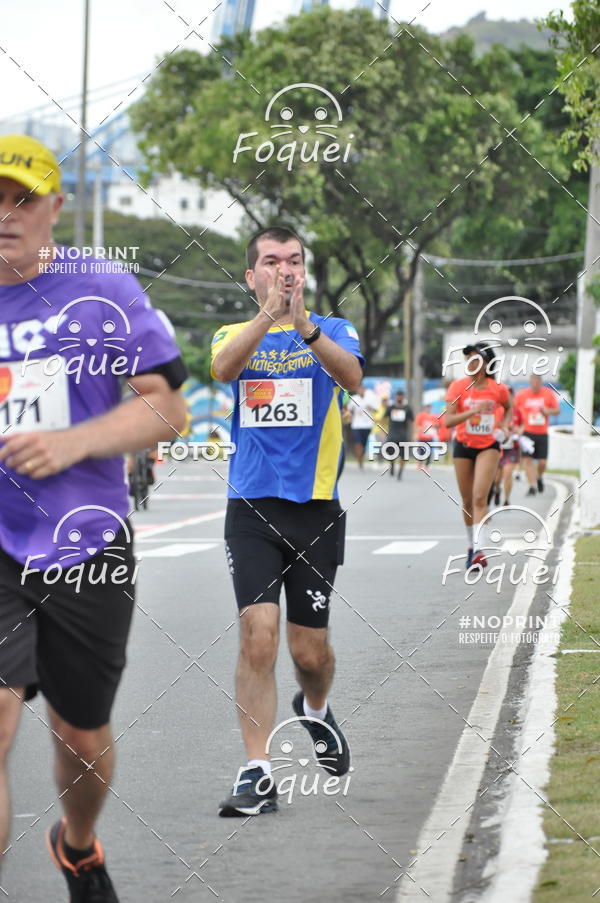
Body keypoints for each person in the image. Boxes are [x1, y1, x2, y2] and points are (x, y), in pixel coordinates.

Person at [0, 135, 187, 902]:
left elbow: (167, 405)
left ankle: (77, 844)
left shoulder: (100, 288)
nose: (5, 215)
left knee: (80, 736)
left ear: (55, 207)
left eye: (21, 198)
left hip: (85, 541)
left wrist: (73, 441)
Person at [211, 226, 362, 817]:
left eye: (293, 260)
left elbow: (350, 377)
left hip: (316, 511)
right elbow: (224, 369)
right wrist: (267, 318)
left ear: (306, 269)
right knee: (258, 637)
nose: (284, 269)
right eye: (270, 262)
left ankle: (316, 709)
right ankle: (257, 771)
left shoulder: (333, 329)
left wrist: (303, 326)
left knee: (308, 654)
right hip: (250, 507)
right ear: (251, 276)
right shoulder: (234, 334)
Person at [445, 343, 511, 569]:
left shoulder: (497, 388)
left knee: (479, 497)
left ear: (486, 364)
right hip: (463, 446)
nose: (471, 364)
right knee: (466, 501)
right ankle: (471, 547)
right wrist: (474, 410)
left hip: (489, 445)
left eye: (476, 360)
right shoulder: (457, 387)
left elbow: (509, 406)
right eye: (468, 360)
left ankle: (480, 551)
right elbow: (448, 421)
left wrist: (505, 425)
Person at [514, 375, 560, 496]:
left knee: (542, 463)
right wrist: (518, 426)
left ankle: (539, 477)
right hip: (527, 432)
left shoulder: (548, 394)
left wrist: (547, 411)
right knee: (528, 460)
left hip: (542, 433)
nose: (535, 384)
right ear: (530, 382)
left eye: (537, 382)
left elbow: (557, 410)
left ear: (540, 382)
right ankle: (532, 486)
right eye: (532, 382)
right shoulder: (522, 394)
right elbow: (513, 410)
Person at [489, 387, 523, 506]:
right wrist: (503, 427)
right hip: (498, 446)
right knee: (497, 478)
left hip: (512, 447)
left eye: (510, 396)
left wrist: (519, 430)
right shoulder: (496, 409)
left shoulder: (516, 411)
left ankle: (506, 500)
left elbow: (522, 424)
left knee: (508, 473)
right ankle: (497, 489)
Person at [348, 382, 379, 468]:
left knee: (364, 444)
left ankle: (361, 457)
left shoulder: (370, 398)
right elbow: (349, 411)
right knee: (358, 443)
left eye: (362, 389)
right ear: (357, 390)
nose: (361, 391)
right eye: (359, 389)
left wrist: (370, 407)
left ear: (365, 390)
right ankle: (359, 461)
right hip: (356, 425)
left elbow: (376, 410)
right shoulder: (354, 399)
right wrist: (349, 416)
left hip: (367, 425)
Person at [384, 390, 414, 479]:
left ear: (403, 397)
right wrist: (383, 430)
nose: (399, 397)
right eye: (398, 396)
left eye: (401, 396)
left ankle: (400, 472)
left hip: (403, 435)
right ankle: (392, 464)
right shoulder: (391, 407)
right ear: (396, 396)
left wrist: (413, 434)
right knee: (390, 453)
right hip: (392, 435)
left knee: (404, 455)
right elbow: (384, 419)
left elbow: (412, 421)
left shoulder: (407, 408)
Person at [413, 403, 438, 473]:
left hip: (429, 437)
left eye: (429, 407)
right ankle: (419, 464)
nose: (428, 408)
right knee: (421, 452)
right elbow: (416, 424)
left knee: (429, 452)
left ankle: (426, 466)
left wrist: (433, 427)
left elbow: (437, 425)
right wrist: (419, 431)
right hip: (422, 437)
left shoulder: (433, 416)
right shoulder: (421, 415)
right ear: (425, 408)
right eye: (427, 407)